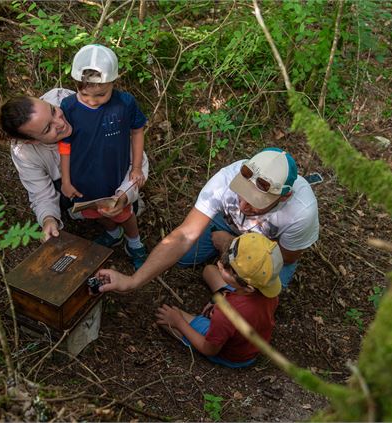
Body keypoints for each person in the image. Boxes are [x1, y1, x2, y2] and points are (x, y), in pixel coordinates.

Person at [96, 147, 319, 292]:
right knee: (183, 258)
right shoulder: (226, 178)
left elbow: (286, 257)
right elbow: (184, 236)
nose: (243, 205)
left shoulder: (301, 211)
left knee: (249, 293)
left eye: (256, 201)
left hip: (268, 250)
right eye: (242, 194)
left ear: (284, 195)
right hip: (227, 223)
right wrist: (132, 281)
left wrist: (230, 246)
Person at [0, 88, 149, 242]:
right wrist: (48, 219)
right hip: (78, 185)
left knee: (125, 211)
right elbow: (40, 193)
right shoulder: (24, 152)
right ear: (32, 141)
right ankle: (108, 229)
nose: (60, 123)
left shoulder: (76, 104)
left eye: (52, 110)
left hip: (111, 173)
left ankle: (133, 219)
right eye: (47, 129)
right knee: (85, 204)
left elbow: (136, 160)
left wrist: (125, 194)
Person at [58, 44, 148, 270]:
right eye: (85, 94)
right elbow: (65, 144)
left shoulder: (125, 103)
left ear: (113, 82)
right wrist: (67, 181)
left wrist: (136, 168)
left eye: (100, 94)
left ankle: (134, 243)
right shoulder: (68, 106)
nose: (92, 100)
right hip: (83, 177)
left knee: (122, 211)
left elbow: (137, 130)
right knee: (95, 211)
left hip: (114, 175)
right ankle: (113, 233)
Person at [156, 232, 281, 368]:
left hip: (233, 355)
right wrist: (222, 294)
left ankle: (191, 325)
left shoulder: (226, 314)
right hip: (249, 338)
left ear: (249, 288)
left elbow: (208, 349)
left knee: (165, 316)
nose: (220, 263)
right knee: (209, 270)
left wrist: (178, 322)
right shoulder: (269, 291)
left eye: (228, 269)